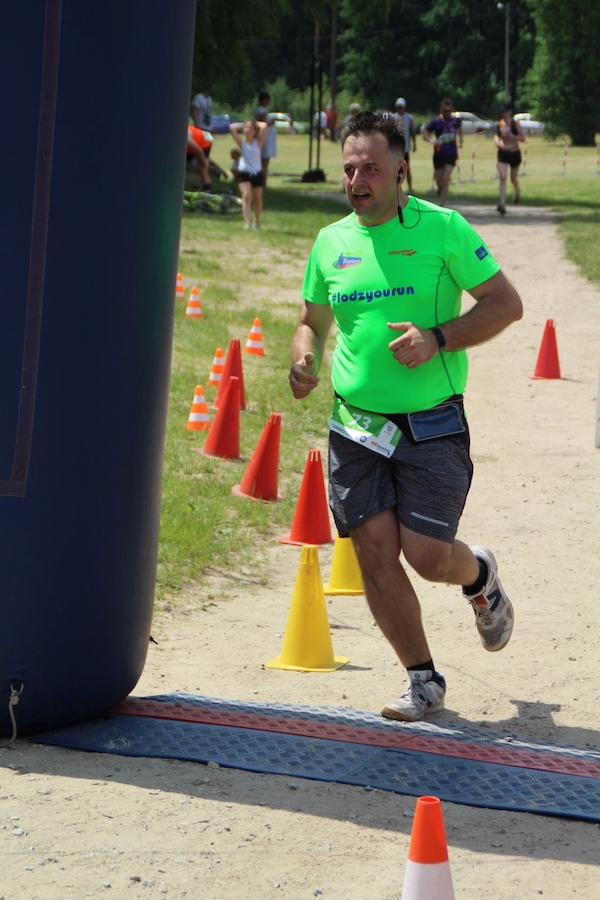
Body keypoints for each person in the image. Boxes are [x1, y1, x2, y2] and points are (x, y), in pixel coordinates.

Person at [288, 111, 522, 722]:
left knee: (427, 555)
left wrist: (437, 337)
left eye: (370, 167)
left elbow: (505, 304)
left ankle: (479, 575)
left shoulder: (442, 229)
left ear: (400, 169)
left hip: (431, 421)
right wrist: (304, 357)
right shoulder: (331, 242)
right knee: (373, 550)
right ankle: (423, 680)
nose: (356, 180)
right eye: (349, 168)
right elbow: (312, 321)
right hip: (356, 424)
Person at [423, 99, 463, 207]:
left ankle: (442, 205)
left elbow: (460, 129)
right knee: (439, 181)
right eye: (445, 111)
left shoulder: (455, 121)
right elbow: (426, 133)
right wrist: (432, 141)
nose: (447, 113)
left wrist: (461, 141)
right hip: (439, 154)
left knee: (445, 179)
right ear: (441, 110)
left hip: (451, 153)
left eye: (449, 111)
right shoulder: (436, 122)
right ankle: (440, 188)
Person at [229, 119, 268, 229]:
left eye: (251, 128)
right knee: (246, 196)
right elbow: (232, 127)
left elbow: (264, 126)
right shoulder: (242, 143)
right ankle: (247, 223)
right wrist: (245, 124)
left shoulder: (258, 142)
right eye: (246, 128)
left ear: (255, 131)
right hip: (244, 172)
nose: (248, 130)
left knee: (257, 199)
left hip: (256, 173)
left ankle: (256, 220)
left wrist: (253, 123)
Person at [494, 101, 526, 215]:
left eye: (505, 111)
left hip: (514, 153)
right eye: (502, 112)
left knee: (513, 179)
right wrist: (497, 142)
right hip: (503, 152)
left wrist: (513, 136)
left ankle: (517, 192)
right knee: (503, 177)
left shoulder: (515, 124)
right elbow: (496, 136)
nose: (503, 114)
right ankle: (502, 204)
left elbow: (523, 138)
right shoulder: (499, 124)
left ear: (510, 112)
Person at [254, 91, 277, 189]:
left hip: (264, 137)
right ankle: (263, 183)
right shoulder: (262, 110)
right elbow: (264, 123)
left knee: (262, 161)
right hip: (266, 138)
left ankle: (261, 182)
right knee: (264, 163)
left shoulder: (258, 110)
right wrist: (271, 122)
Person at [394, 97, 417, 192]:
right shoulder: (393, 118)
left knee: (406, 168)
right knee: (395, 168)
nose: (400, 109)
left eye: (401, 107)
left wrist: (414, 143)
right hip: (396, 148)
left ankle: (410, 187)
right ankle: (396, 186)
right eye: (399, 107)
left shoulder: (409, 118)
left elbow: (412, 131)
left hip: (405, 148)